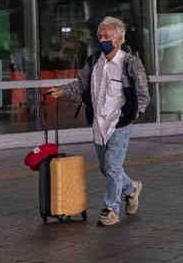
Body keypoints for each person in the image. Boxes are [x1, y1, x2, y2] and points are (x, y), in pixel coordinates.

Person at [44, 16, 150, 227]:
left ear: (118, 39)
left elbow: (143, 94)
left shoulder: (129, 63)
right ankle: (131, 189)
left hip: (119, 124)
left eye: (107, 36)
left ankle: (111, 209)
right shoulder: (94, 62)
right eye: (100, 35)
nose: (102, 39)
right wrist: (61, 91)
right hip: (98, 123)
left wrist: (131, 116)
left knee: (112, 166)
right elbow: (80, 85)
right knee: (107, 168)